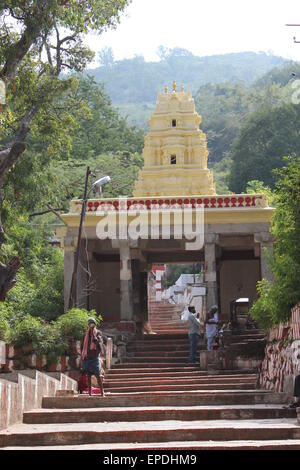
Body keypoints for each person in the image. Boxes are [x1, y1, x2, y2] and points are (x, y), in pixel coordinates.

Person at [81, 317, 105, 397]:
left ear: (94, 324)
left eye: (92, 323)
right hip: (87, 357)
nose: (91, 325)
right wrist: (83, 354)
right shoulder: (86, 334)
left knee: (97, 375)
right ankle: (90, 393)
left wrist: (96, 341)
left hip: (94, 357)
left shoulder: (98, 333)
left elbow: (100, 342)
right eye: (90, 323)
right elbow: (83, 345)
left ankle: (102, 392)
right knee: (88, 375)